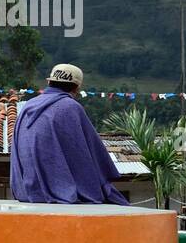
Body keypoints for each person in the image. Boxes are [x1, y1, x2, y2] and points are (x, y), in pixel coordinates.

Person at [10, 64, 129, 205]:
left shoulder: (27, 106)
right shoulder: (70, 107)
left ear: (49, 82)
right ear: (76, 88)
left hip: (26, 191)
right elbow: (89, 151)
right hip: (59, 192)